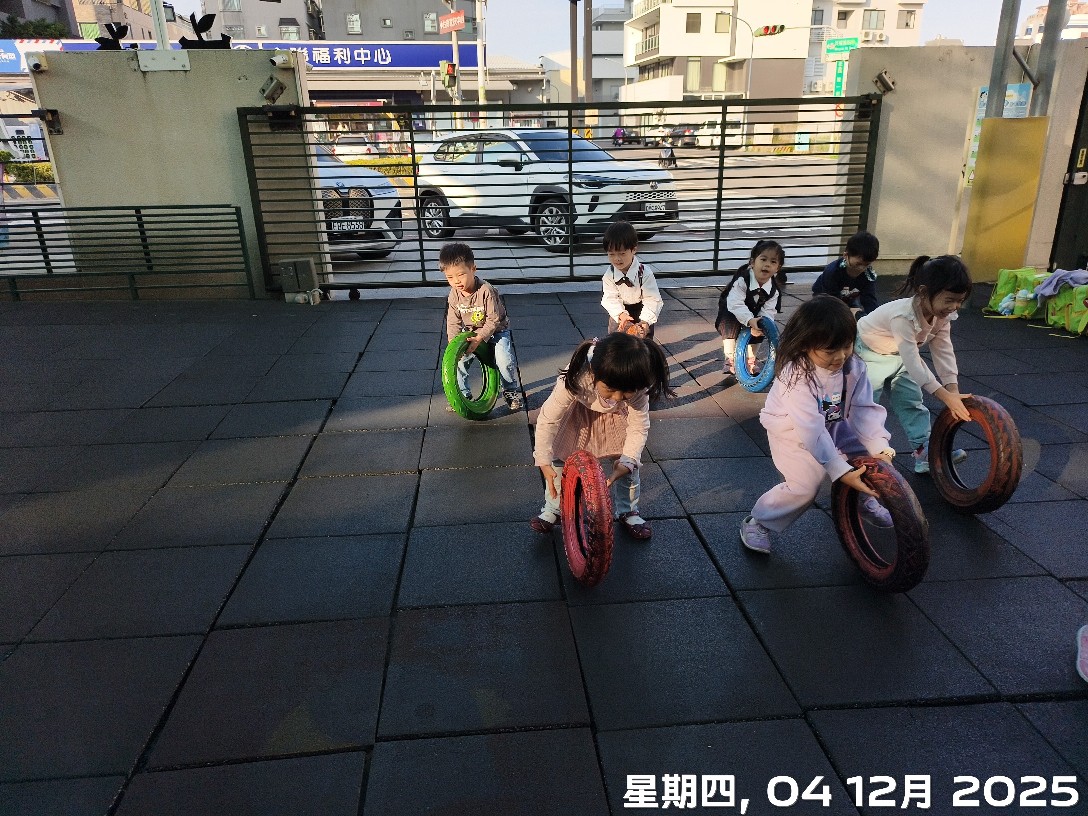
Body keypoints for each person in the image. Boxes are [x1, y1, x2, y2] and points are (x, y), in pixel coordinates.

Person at [740, 296, 897, 554]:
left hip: (833, 420)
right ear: (805, 345)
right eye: (829, 351)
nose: (840, 356)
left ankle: (864, 500)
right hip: (792, 431)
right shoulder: (796, 375)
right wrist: (838, 469)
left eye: (846, 346)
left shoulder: (854, 366)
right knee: (805, 486)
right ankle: (760, 520)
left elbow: (864, 409)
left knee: (866, 459)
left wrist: (879, 446)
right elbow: (810, 428)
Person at [530, 332, 671, 540]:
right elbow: (548, 419)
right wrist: (543, 459)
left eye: (626, 392)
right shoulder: (576, 377)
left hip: (617, 420)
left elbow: (638, 426)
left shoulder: (639, 384)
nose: (617, 397)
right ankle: (554, 508)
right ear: (594, 375)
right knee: (558, 460)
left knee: (628, 465)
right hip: (579, 417)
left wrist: (629, 459)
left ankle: (628, 511)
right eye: (610, 389)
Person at [855, 254, 973, 474]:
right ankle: (858, 451)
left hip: (900, 356)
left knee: (912, 402)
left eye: (959, 300)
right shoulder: (903, 316)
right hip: (870, 353)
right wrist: (944, 396)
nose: (954, 306)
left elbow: (943, 351)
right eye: (949, 300)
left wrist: (953, 389)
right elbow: (913, 360)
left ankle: (924, 453)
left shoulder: (942, 316)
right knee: (867, 404)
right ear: (923, 292)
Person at [441, 242, 523, 411]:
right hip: (471, 331)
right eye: (450, 277)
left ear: (473, 269)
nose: (456, 281)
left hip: (498, 330)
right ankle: (463, 394)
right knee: (460, 361)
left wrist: (480, 338)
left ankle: (510, 390)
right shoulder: (454, 295)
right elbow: (453, 322)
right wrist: (454, 346)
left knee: (503, 360)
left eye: (461, 275)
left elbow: (493, 319)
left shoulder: (486, 290)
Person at [715, 239, 785, 384]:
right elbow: (735, 304)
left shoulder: (774, 291)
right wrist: (749, 320)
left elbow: (768, 310)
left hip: (756, 310)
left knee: (760, 329)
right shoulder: (742, 280)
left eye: (773, 262)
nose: (767, 264)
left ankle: (750, 359)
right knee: (729, 328)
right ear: (753, 262)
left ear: (778, 268)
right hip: (732, 308)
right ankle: (731, 358)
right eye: (763, 259)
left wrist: (760, 324)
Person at [601, 220, 664, 340]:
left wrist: (645, 321)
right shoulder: (610, 275)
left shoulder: (644, 273)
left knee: (644, 343)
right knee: (617, 343)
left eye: (622, 253)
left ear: (633, 250)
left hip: (642, 312)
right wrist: (621, 314)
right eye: (611, 254)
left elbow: (652, 299)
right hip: (619, 315)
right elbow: (610, 298)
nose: (617, 259)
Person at [812, 230, 881, 318]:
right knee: (828, 317)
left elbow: (869, 299)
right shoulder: (833, 272)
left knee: (858, 316)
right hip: (825, 296)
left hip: (848, 298)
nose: (862, 268)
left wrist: (875, 318)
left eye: (866, 264)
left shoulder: (868, 275)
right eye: (858, 264)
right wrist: (849, 311)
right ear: (846, 255)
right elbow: (831, 301)